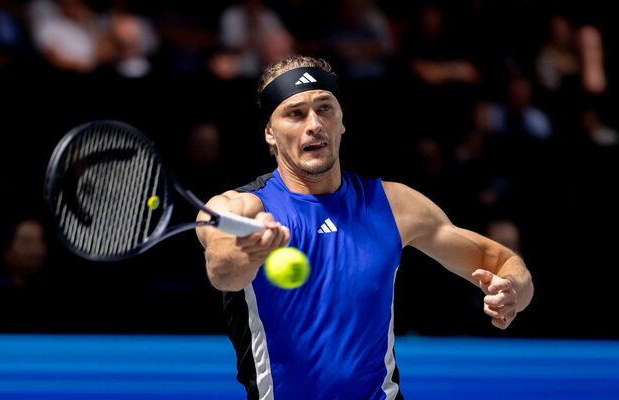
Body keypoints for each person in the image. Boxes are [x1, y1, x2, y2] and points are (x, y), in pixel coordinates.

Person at [195, 55, 534, 399]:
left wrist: (512, 292)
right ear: (270, 132)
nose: (314, 124)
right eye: (295, 113)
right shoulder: (240, 209)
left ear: (342, 121)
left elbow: (503, 261)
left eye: (325, 108)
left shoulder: (394, 204)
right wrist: (248, 252)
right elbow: (223, 271)